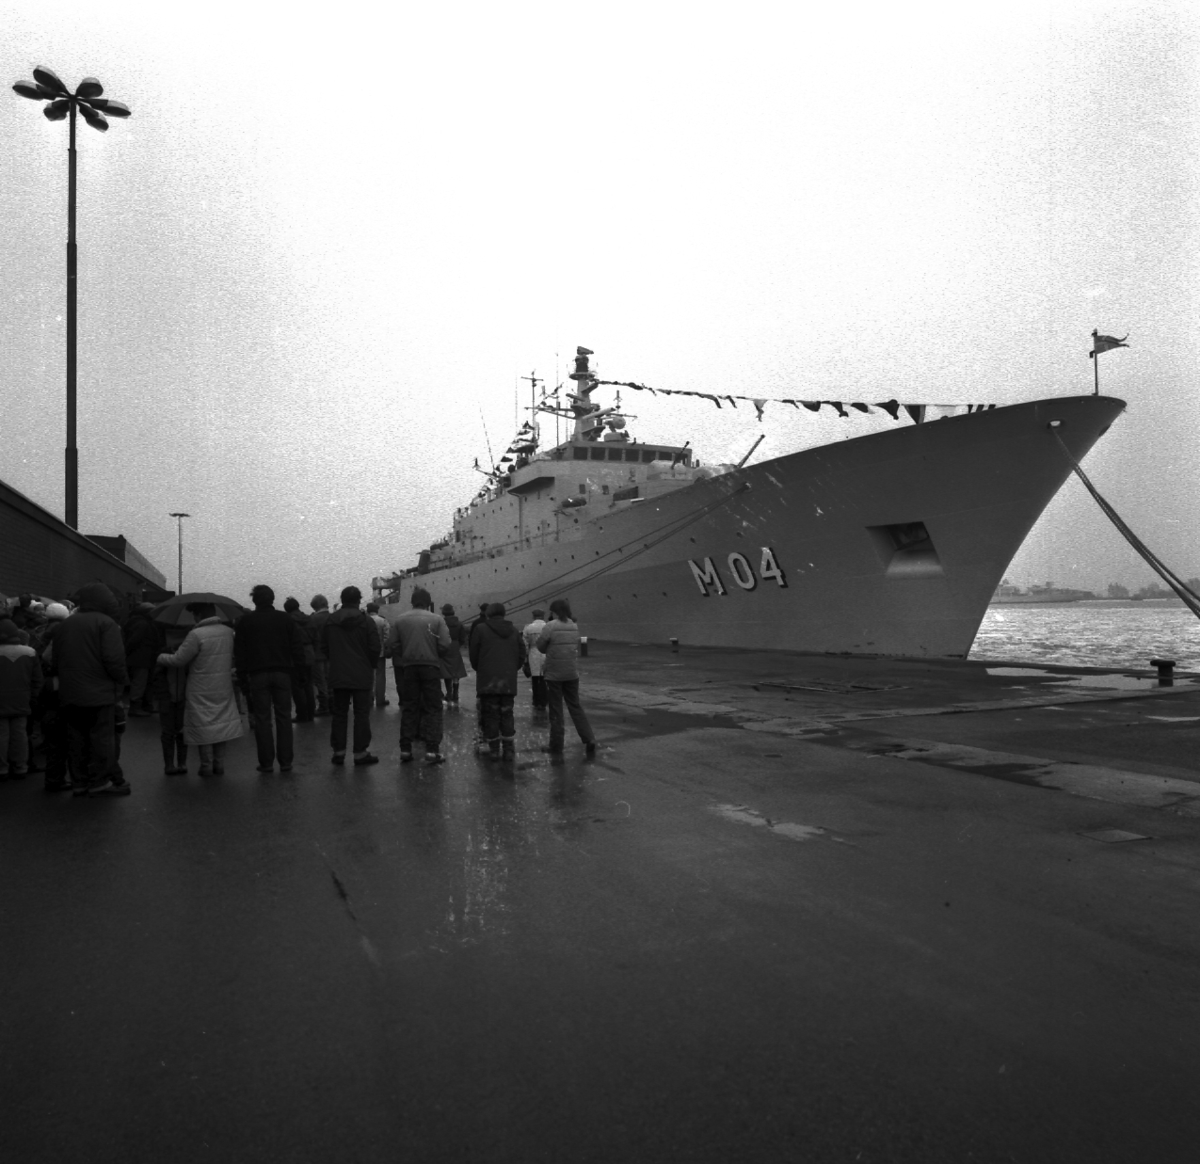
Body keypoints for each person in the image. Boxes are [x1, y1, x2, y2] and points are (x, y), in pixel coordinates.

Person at [46, 582, 130, 795]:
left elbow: (54, 661)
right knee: (101, 740)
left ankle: (79, 783)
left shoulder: (65, 625)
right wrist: (122, 682)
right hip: (99, 693)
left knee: (76, 740)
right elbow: (113, 660)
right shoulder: (107, 624)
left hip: (69, 693)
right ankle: (100, 782)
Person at [157, 602, 243, 776]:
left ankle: (206, 765)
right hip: (223, 686)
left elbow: (179, 660)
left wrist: (161, 657)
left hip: (200, 688)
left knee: (204, 724)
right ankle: (219, 764)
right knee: (221, 725)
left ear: (198, 615)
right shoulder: (228, 632)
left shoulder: (196, 634)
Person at [234, 584, 307, 773]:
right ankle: (286, 761)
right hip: (282, 673)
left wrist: (242, 678)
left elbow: (240, 653)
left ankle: (266, 763)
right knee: (284, 717)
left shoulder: (246, 621)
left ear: (254, 600)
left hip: (257, 674)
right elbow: (297, 648)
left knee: (263, 719)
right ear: (272, 599)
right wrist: (300, 673)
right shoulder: (285, 619)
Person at [388, 587, 451, 764]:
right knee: (433, 707)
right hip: (430, 667)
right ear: (428, 603)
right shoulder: (437, 619)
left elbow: (393, 643)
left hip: (409, 668)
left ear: (412, 602)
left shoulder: (400, 620)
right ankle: (432, 750)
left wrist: (406, 654)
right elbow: (445, 644)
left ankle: (405, 749)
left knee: (410, 706)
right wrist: (435, 653)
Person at [322, 586, 381, 766]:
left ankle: (338, 752)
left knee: (339, 713)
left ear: (342, 600)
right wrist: (370, 665)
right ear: (358, 600)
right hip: (361, 673)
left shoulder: (331, 621)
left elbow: (324, 647)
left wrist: (335, 661)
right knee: (361, 714)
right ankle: (360, 753)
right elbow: (375, 647)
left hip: (338, 673)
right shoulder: (367, 621)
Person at [536, 598, 597, 757]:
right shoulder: (573, 625)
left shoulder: (550, 626)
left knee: (556, 710)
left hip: (554, 673)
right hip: (571, 672)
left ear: (554, 611)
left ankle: (556, 745)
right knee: (575, 706)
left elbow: (541, 647)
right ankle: (589, 738)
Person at [469, 603, 526, 761]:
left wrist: (481, 669)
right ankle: (508, 749)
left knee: (491, 714)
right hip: (508, 679)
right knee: (507, 713)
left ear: (488, 614)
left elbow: (473, 654)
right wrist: (512, 668)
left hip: (488, 680)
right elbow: (522, 652)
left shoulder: (480, 629)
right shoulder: (514, 630)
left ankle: (494, 749)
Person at [0, 617, 43, 779]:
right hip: (22, 699)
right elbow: (37, 679)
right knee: (20, 734)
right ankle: (20, 766)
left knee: (2, 735)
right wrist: (33, 697)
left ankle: (2, 768)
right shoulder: (29, 652)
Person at [149, 618, 189, 775]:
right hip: (172, 697)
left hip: (173, 697)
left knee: (176, 731)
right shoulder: (166, 656)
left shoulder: (166, 655)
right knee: (174, 731)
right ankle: (176, 763)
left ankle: (175, 764)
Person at [122, 601, 159, 716]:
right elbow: (134, 641)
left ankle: (143, 705)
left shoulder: (136, 622)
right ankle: (136, 707)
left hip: (140, 657)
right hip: (141, 658)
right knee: (140, 683)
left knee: (142, 682)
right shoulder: (143, 624)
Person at [283, 597, 316, 723]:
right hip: (309, 652)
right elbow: (316, 637)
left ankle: (302, 714)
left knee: (297, 686)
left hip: (295, 655)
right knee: (309, 684)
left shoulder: (288, 621)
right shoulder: (309, 619)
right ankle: (311, 713)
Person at [309, 594, 333, 716]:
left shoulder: (312, 619)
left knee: (320, 681)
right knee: (330, 679)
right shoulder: (333, 618)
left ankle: (324, 706)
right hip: (331, 654)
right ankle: (333, 704)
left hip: (317, 654)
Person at [439, 603, 467, 704]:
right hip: (455, 646)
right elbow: (463, 638)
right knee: (456, 671)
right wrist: (457, 645)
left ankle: (449, 693)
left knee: (446, 670)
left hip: (445, 646)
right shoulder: (459, 623)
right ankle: (455, 693)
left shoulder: (442, 623)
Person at [365, 602, 391, 708]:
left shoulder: (364, 620)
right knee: (380, 675)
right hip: (380, 652)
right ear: (377, 610)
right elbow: (387, 637)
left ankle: (369, 698)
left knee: (369, 675)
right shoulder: (382, 621)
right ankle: (380, 698)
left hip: (366, 653)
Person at [522, 608, 548, 710]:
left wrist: (525, 658)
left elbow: (525, 644)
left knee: (535, 678)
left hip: (533, 653)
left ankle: (536, 700)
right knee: (545, 678)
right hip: (546, 653)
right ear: (543, 616)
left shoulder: (528, 628)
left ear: (533, 616)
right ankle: (544, 699)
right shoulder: (548, 626)